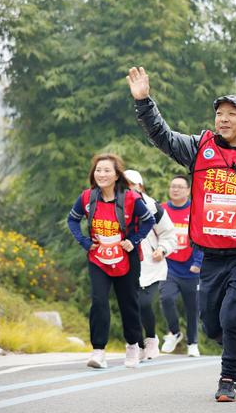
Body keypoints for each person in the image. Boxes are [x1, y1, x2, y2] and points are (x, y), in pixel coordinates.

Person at [127, 67, 236, 402]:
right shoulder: (200, 148)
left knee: (234, 313)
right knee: (211, 324)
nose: (223, 120)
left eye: (231, 115)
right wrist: (144, 101)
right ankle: (229, 340)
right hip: (211, 254)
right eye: (219, 114)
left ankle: (228, 378)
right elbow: (162, 136)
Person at [67, 154, 155, 369]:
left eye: (107, 170)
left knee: (128, 303)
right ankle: (98, 351)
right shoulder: (88, 197)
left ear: (117, 175)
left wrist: (133, 241)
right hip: (98, 257)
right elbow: (72, 219)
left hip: (126, 257)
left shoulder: (131, 198)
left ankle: (133, 346)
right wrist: (85, 242)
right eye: (98, 170)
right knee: (99, 301)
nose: (102, 174)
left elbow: (149, 221)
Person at [124, 169, 178, 360]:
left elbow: (169, 234)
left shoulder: (152, 206)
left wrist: (162, 249)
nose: (129, 189)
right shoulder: (114, 205)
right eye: (125, 185)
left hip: (151, 264)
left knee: (145, 304)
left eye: (133, 185)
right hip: (126, 264)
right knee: (131, 306)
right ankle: (137, 345)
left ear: (140, 187)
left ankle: (151, 339)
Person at [160, 175, 204, 357]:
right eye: (172, 186)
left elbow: (202, 237)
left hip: (191, 268)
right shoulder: (161, 210)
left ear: (187, 190)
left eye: (179, 187)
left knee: (192, 308)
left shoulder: (195, 210)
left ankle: (193, 343)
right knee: (166, 298)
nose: (175, 190)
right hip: (168, 265)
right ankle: (174, 331)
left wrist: (198, 262)